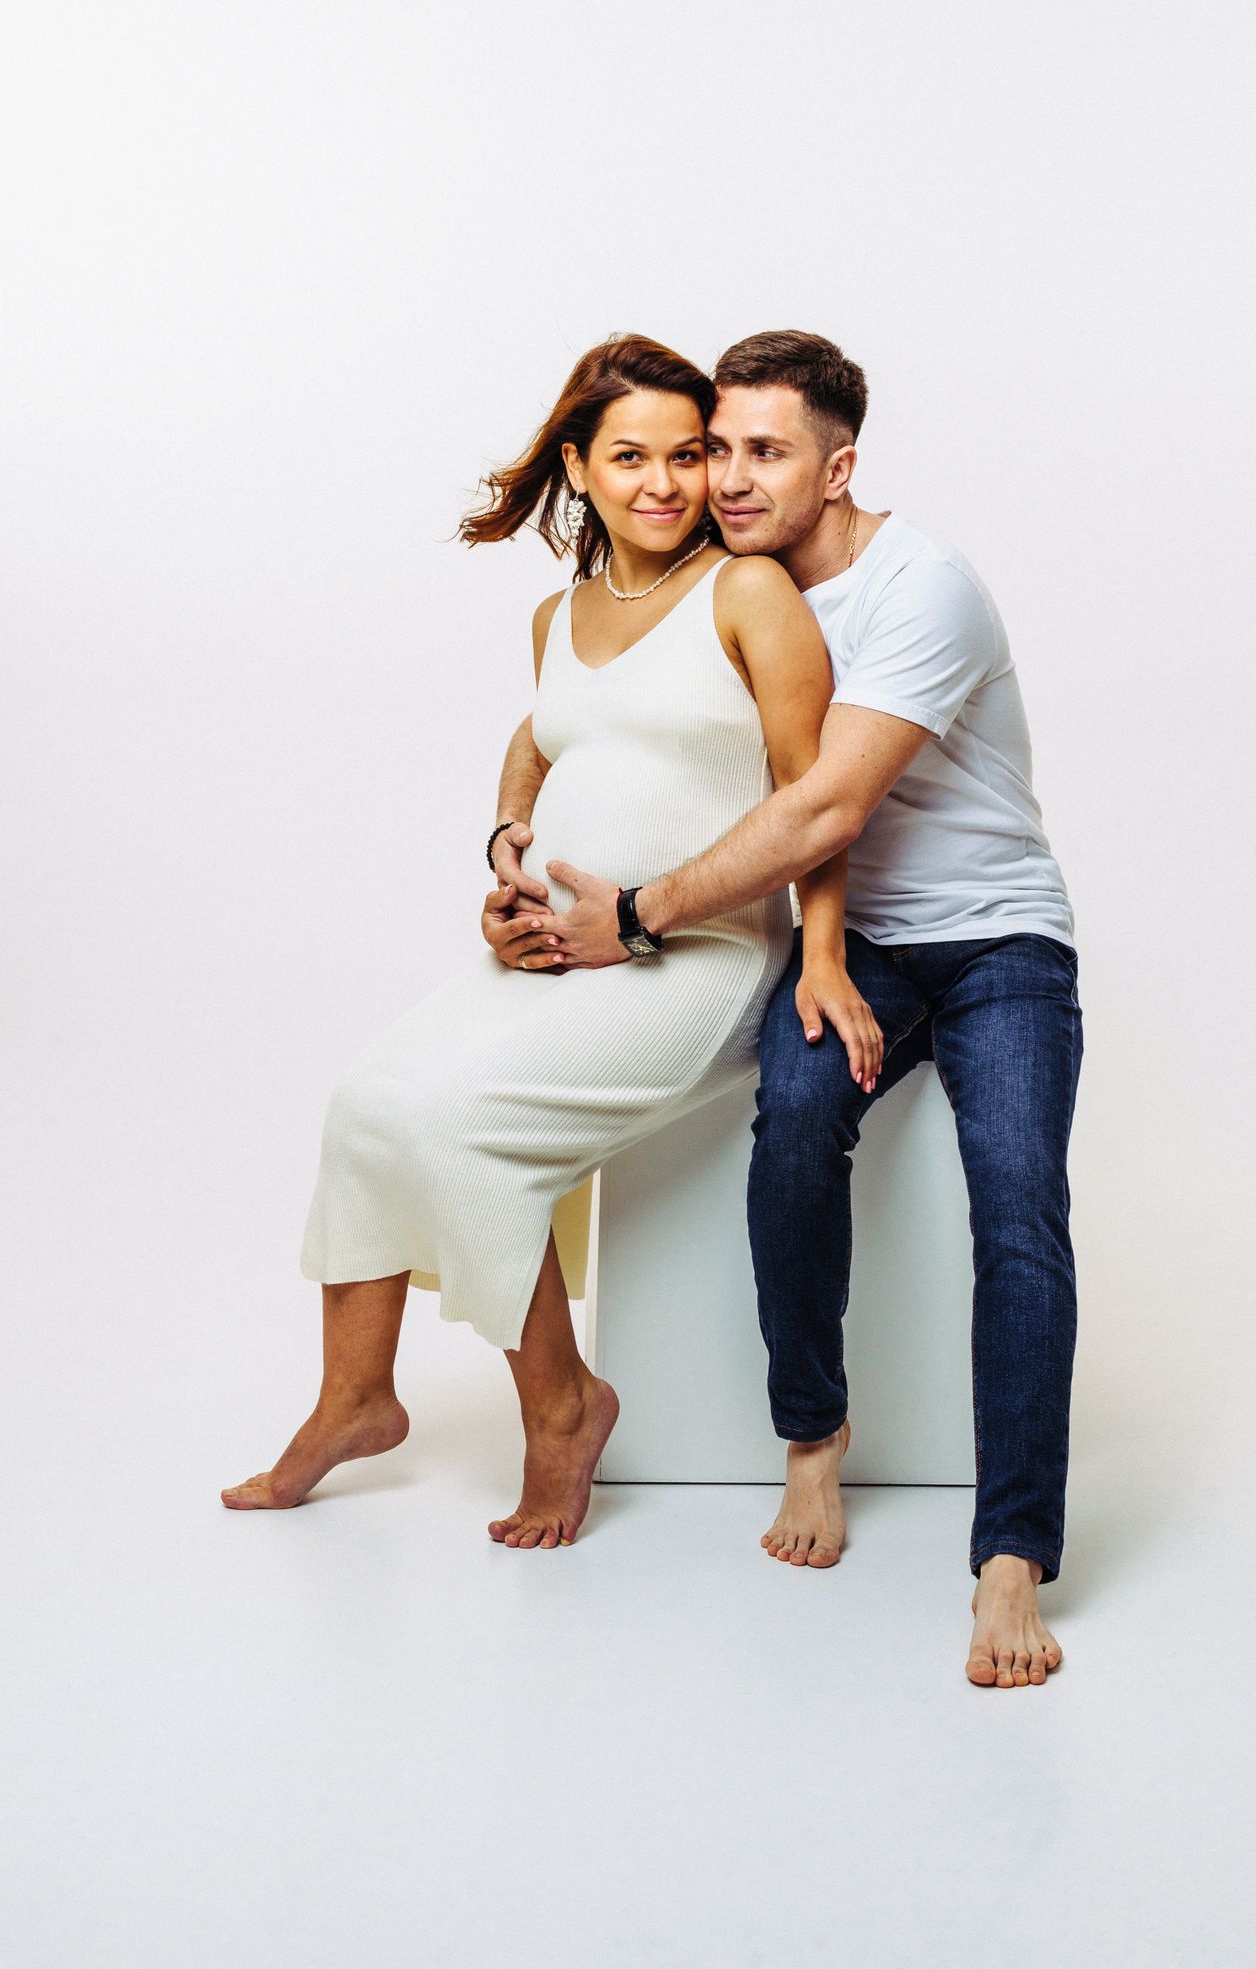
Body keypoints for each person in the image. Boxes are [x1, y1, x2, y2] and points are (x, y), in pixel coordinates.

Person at [486, 331, 1082, 1687]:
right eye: (718, 449)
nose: (730, 477)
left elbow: (825, 807)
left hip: (997, 942)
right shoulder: (719, 579)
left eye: (767, 451)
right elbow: (557, 708)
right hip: (847, 940)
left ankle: (1012, 1553)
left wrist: (637, 915)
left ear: (840, 466)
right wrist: (509, 830)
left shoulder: (921, 589)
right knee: (796, 1129)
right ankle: (813, 1440)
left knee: (1015, 1200)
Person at [221, 333, 883, 1544]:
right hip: (561, 949)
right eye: (630, 457)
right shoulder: (559, 614)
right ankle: (356, 1398)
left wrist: (824, 955)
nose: (665, 483)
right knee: (366, 1101)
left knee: (465, 1126)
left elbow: (815, 796)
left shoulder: (747, 593)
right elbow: (548, 735)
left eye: (687, 455)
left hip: (702, 962)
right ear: (577, 468)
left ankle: (565, 1407)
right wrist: (506, 854)